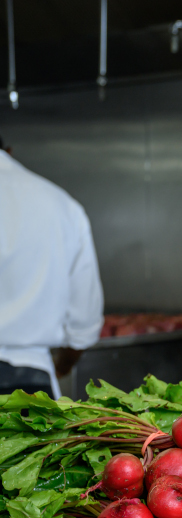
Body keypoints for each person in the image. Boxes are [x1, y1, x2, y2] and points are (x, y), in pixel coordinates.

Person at [0, 134, 104, 397]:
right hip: (32, 381)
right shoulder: (61, 205)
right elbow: (84, 323)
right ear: (9, 152)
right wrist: (62, 366)